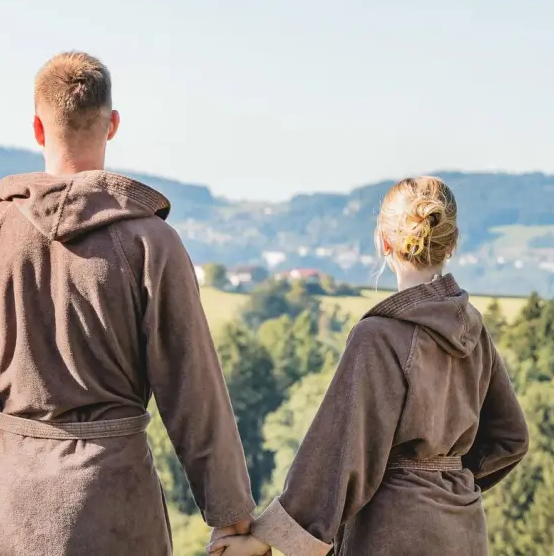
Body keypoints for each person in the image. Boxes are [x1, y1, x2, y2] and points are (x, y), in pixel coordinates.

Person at [0, 51, 256, 555]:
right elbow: (194, 389)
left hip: (11, 511)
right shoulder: (152, 244)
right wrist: (230, 514)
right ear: (113, 125)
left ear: (38, 129)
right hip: (118, 509)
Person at [208, 176, 530, 556]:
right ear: (452, 243)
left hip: (392, 533)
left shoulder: (377, 336)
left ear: (384, 241)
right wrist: (448, 478)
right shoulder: (474, 331)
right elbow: (511, 438)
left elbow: (338, 455)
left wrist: (265, 538)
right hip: (463, 532)